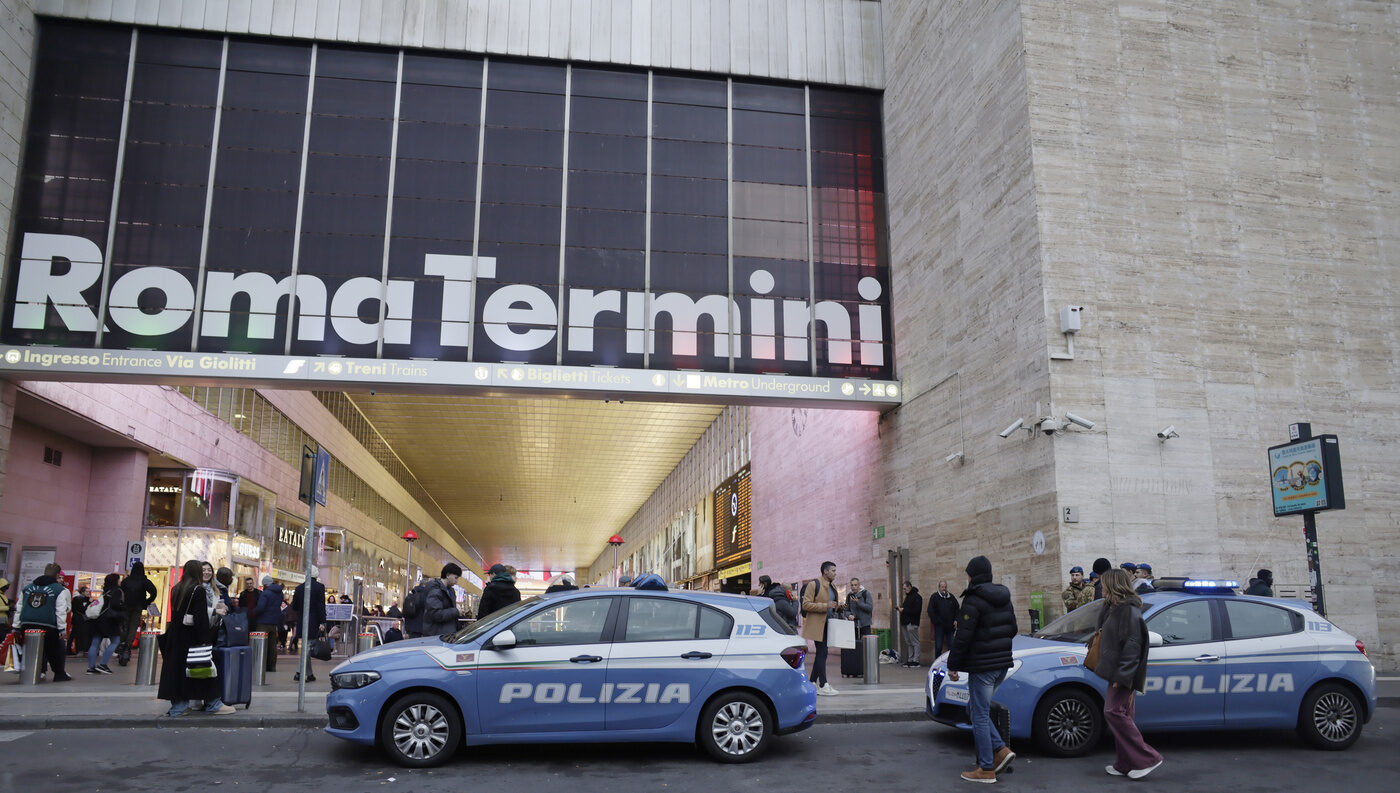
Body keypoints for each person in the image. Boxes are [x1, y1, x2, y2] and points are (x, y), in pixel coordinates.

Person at [946, 555, 1017, 783]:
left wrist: (953, 665)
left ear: (972, 575)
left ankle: (987, 767)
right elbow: (1013, 628)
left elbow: (963, 638)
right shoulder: (1004, 597)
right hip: (1002, 664)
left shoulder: (973, 600)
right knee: (975, 709)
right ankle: (1001, 751)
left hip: (983, 667)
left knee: (979, 716)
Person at [1092, 569, 1163, 779]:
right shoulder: (1114, 609)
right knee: (1124, 714)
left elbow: (1133, 646)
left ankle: (1147, 758)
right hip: (1118, 672)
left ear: (1113, 586)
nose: (1100, 588)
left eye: (1104, 584)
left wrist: (1122, 677)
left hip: (1123, 675)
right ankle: (1125, 763)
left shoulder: (1129, 612)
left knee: (1113, 712)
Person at [158, 560, 233, 716]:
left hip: (175, 637)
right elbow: (200, 619)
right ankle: (213, 704)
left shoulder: (176, 589)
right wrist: (204, 638)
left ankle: (179, 706)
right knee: (203, 669)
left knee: (179, 672)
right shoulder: (197, 590)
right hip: (192, 638)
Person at [18, 563, 72, 681]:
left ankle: (32, 672)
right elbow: (60, 610)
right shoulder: (59, 590)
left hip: (26, 622)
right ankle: (59, 673)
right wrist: (62, 629)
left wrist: (16, 625)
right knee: (54, 649)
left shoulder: (28, 587)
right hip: (48, 624)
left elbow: (20, 607)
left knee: (30, 648)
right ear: (57, 575)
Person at [800, 561, 842, 696]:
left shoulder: (832, 586)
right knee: (822, 652)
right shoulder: (814, 585)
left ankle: (812, 681)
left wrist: (838, 606)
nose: (835, 573)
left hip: (829, 624)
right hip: (818, 624)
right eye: (833, 570)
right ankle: (823, 684)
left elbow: (832, 605)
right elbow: (805, 605)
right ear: (825, 571)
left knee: (822, 653)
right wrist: (825, 605)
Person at [290, 567, 327, 682]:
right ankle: (299, 673)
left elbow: (294, 606)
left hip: (302, 619)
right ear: (316, 575)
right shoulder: (319, 587)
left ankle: (309, 674)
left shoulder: (299, 588)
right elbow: (321, 606)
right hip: (314, 620)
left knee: (307, 646)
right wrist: (322, 621)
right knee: (307, 648)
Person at [117, 562, 158, 666]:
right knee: (133, 626)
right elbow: (154, 592)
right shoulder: (144, 581)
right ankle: (128, 645)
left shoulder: (126, 581)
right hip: (138, 606)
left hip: (126, 606)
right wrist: (147, 601)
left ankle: (122, 644)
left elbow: (120, 592)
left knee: (125, 625)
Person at [85, 573, 125, 674]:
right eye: (119, 580)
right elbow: (115, 605)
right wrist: (123, 607)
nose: (120, 581)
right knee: (115, 641)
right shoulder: (117, 591)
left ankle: (91, 667)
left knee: (95, 643)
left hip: (98, 619)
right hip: (109, 620)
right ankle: (103, 664)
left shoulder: (105, 591)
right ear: (116, 581)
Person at [417, 564, 464, 637]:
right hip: (437, 635)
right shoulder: (435, 590)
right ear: (447, 575)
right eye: (456, 578)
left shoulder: (450, 590)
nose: (457, 581)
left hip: (447, 634)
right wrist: (456, 611)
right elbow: (436, 614)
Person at [252, 575, 284, 673]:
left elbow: (261, 607)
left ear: (265, 584)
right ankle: (272, 666)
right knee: (272, 645)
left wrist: (254, 612)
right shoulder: (280, 593)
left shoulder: (265, 593)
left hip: (263, 622)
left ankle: (260, 665)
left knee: (260, 644)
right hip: (274, 622)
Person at [927, 579, 959, 658]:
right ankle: (937, 664)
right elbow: (930, 611)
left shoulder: (951, 597)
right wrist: (936, 621)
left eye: (945, 587)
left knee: (951, 646)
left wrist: (956, 620)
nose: (943, 588)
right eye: (942, 587)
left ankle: (950, 665)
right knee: (938, 646)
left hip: (950, 626)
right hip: (939, 626)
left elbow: (957, 609)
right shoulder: (934, 597)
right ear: (939, 587)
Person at [899, 580, 924, 667]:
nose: (904, 591)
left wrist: (904, 610)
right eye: (903, 589)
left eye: (905, 589)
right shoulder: (908, 597)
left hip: (912, 623)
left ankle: (916, 660)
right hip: (905, 623)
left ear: (910, 587)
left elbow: (916, 611)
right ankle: (910, 659)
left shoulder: (917, 597)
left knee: (915, 642)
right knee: (909, 642)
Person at [69, 584, 91, 656]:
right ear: (82, 592)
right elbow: (83, 610)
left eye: (89, 591)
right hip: (79, 620)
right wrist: (89, 603)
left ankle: (69, 649)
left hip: (77, 619)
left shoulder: (77, 598)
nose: (88, 593)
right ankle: (78, 650)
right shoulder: (79, 599)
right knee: (78, 635)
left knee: (73, 635)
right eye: (87, 592)